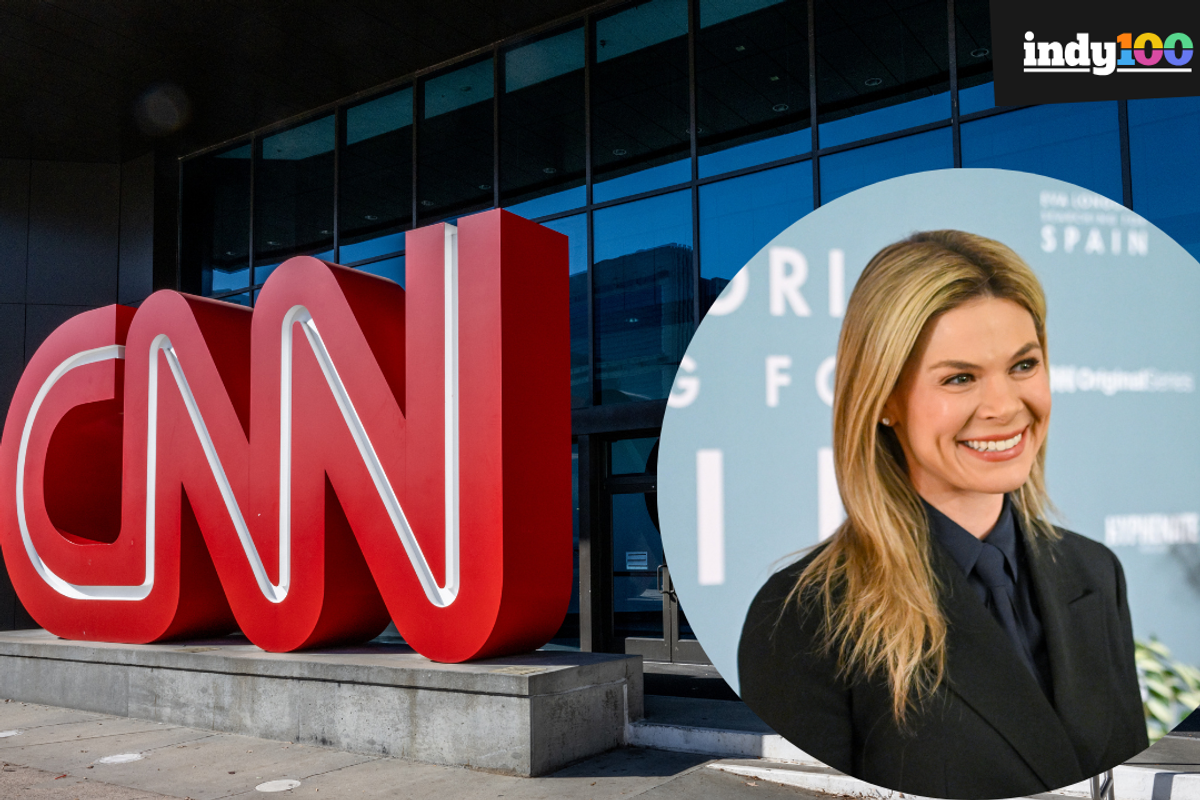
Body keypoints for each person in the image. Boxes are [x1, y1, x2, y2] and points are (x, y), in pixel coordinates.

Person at [738, 230, 1147, 800]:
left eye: (1024, 365)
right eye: (960, 377)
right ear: (884, 400)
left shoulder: (1096, 572)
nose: (1005, 406)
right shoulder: (803, 618)